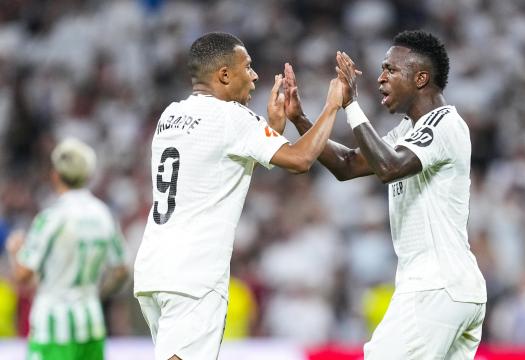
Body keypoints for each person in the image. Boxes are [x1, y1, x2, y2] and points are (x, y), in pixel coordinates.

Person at [133, 32, 343, 360]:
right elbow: (300, 161)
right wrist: (332, 106)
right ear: (224, 75)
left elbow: (220, 172)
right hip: (194, 273)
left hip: (153, 268)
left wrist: (271, 129)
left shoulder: (169, 116)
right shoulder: (230, 118)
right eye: (248, 67)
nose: (255, 75)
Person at [284, 30, 487, 359]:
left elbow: (389, 167)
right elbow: (348, 165)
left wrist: (351, 105)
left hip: (436, 286)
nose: (379, 79)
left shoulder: (445, 124)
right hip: (452, 290)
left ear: (421, 78)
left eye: (390, 70)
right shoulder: (411, 130)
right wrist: (299, 118)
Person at [6, 138, 129, 360]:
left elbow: (23, 275)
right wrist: (97, 294)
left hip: (52, 328)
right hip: (91, 322)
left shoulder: (51, 218)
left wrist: (15, 251)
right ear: (88, 176)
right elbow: (121, 270)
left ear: (55, 175)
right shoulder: (103, 215)